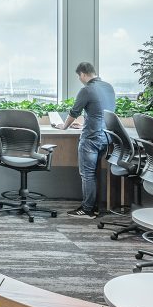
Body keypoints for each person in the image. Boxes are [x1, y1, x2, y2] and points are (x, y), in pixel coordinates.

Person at [53, 62, 115, 218]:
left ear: (82, 74)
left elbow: (74, 112)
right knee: (94, 173)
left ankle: (88, 209)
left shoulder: (86, 90)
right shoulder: (108, 87)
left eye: (79, 76)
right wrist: (82, 123)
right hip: (106, 137)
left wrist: (64, 126)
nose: (79, 79)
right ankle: (94, 207)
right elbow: (100, 112)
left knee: (87, 174)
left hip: (91, 139)